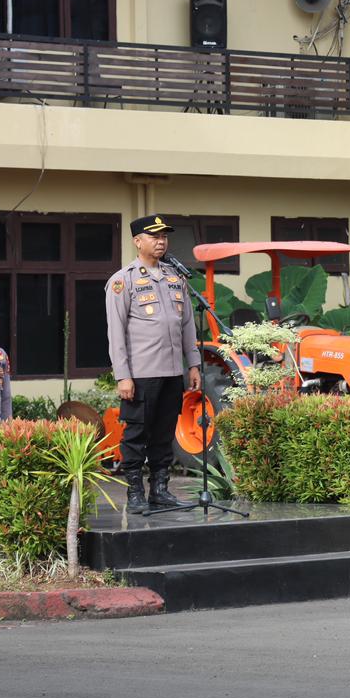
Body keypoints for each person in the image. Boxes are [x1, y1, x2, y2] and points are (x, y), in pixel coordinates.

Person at [106, 214, 203, 514]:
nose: (161, 242)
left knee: (164, 433)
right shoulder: (123, 281)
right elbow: (116, 333)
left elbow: (187, 325)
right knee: (137, 434)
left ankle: (160, 490)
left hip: (172, 371)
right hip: (141, 374)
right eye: (154, 236)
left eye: (164, 236)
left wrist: (193, 364)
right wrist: (123, 376)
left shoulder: (176, 278)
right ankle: (135, 493)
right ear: (138, 241)